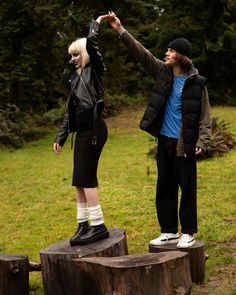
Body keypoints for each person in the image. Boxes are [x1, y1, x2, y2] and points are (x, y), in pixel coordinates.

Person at [107, 12, 211, 248]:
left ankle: (188, 232)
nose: (166, 53)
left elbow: (205, 116)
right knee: (164, 186)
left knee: (187, 189)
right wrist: (120, 29)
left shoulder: (197, 83)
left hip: (184, 144)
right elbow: (141, 53)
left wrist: (202, 142)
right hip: (164, 141)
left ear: (181, 56)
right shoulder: (162, 72)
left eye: (171, 50)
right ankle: (169, 231)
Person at [54, 14, 111, 246]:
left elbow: (91, 42)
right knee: (79, 180)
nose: (73, 59)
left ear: (85, 54)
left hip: (95, 129)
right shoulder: (75, 79)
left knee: (87, 178)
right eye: (71, 56)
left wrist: (97, 22)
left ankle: (99, 226)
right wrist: (61, 136)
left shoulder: (95, 70)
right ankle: (82, 225)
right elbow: (71, 112)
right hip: (83, 131)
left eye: (76, 54)